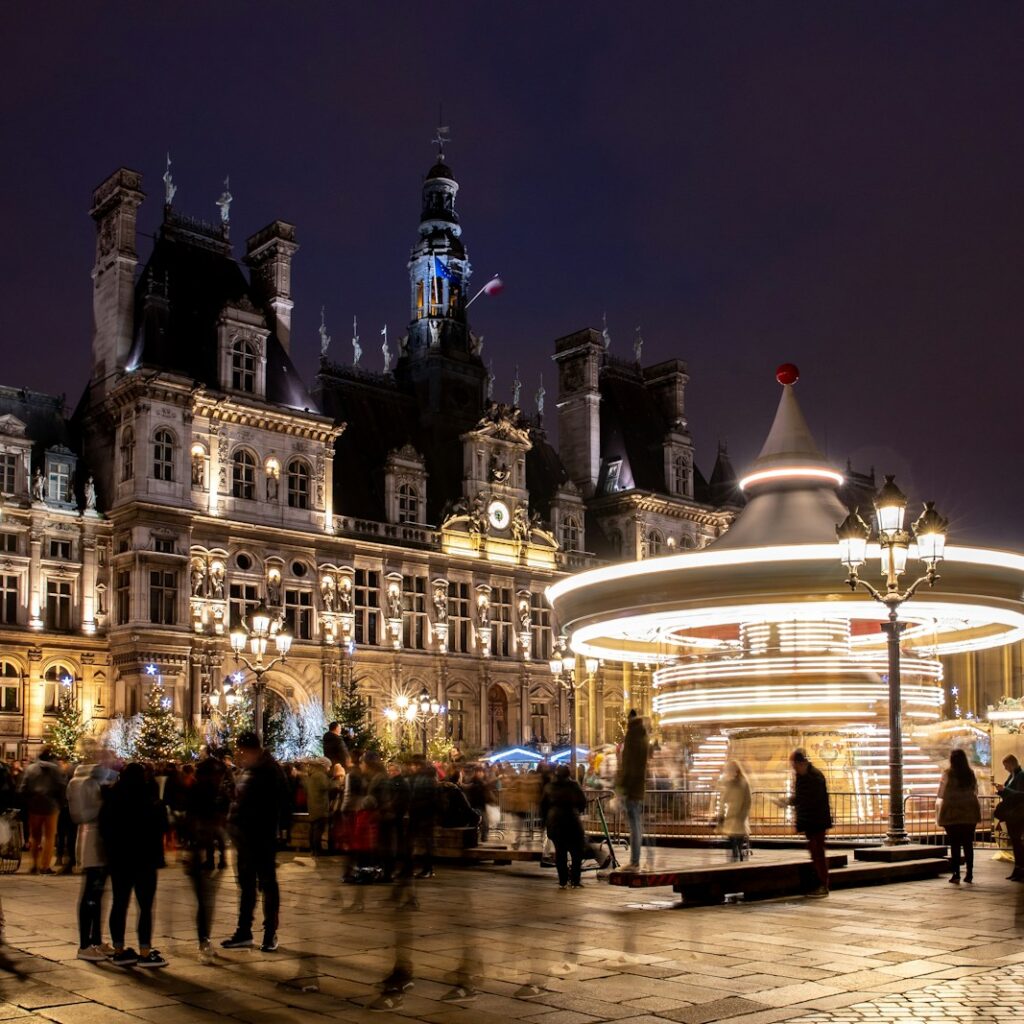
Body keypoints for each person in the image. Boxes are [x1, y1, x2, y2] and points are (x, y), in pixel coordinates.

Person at [99, 763, 168, 968]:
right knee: (145, 906)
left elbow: (104, 828)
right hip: (146, 858)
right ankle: (145, 951)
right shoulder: (151, 799)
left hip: (120, 858)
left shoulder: (112, 797)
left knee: (119, 903)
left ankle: (119, 950)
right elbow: (162, 826)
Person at [222, 732, 286, 952]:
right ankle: (243, 931)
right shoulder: (249, 770)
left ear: (251, 749)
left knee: (267, 884)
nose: (239, 755)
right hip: (244, 838)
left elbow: (279, 805)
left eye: (241, 750)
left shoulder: (270, 771)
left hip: (262, 836)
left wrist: (276, 830)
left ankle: (269, 934)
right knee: (247, 885)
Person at [67, 762, 112, 960]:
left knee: (98, 893)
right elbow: (88, 812)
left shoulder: (86, 783)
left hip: (96, 838)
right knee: (91, 893)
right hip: (93, 840)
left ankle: (95, 940)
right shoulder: (85, 784)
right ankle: (85, 944)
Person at [787, 749, 832, 897]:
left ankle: (823, 885)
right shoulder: (802, 776)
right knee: (815, 852)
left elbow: (811, 801)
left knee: (818, 852)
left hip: (817, 821)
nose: (793, 767)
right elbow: (802, 798)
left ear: (800, 763)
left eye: (794, 764)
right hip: (810, 822)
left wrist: (793, 801)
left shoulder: (814, 776)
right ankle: (817, 884)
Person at [18, 749, 66, 874]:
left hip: (34, 806)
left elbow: (23, 788)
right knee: (49, 837)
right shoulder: (56, 769)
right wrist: (60, 803)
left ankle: (34, 865)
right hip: (51, 806)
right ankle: (45, 866)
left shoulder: (30, 768)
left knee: (35, 837)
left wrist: (28, 801)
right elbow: (61, 787)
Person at [937, 748, 981, 884]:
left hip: (952, 813)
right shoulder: (970, 773)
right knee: (968, 844)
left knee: (955, 845)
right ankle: (970, 873)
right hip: (969, 813)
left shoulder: (947, 774)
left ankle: (956, 874)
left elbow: (941, 794)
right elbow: (976, 790)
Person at [541, 764, 588, 889]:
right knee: (576, 853)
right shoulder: (574, 785)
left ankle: (562, 880)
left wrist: (545, 822)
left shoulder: (549, 787)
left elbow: (543, 806)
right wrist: (577, 810)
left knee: (560, 853)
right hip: (572, 822)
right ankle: (575, 880)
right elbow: (583, 803)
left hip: (555, 822)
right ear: (568, 774)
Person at [616, 710, 649, 870]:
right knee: (636, 824)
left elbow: (628, 765)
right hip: (638, 786)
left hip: (631, 787)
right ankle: (636, 860)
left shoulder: (632, 736)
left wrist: (622, 787)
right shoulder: (643, 735)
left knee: (634, 824)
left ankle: (634, 862)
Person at [995, 753, 1024, 881]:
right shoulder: (1012, 776)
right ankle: (1017, 869)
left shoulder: (1020, 776)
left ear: (1011, 764)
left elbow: (1020, 794)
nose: (1005, 768)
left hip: (1017, 813)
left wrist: (1005, 790)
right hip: (1011, 813)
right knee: (1015, 842)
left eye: (1005, 765)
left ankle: (1020, 869)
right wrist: (1002, 790)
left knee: (1018, 842)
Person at [719, 761, 751, 862]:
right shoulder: (734, 782)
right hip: (734, 817)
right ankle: (737, 859)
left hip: (738, 818)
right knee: (735, 842)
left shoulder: (742, 782)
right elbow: (724, 799)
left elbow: (747, 800)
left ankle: (738, 859)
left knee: (737, 842)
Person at [302, 758, 330, 856]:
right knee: (318, 829)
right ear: (324, 766)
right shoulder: (320, 776)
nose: (329, 769)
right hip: (320, 806)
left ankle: (313, 850)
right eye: (328, 766)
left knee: (313, 828)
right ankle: (317, 850)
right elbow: (327, 786)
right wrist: (337, 783)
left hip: (313, 805)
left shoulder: (313, 775)